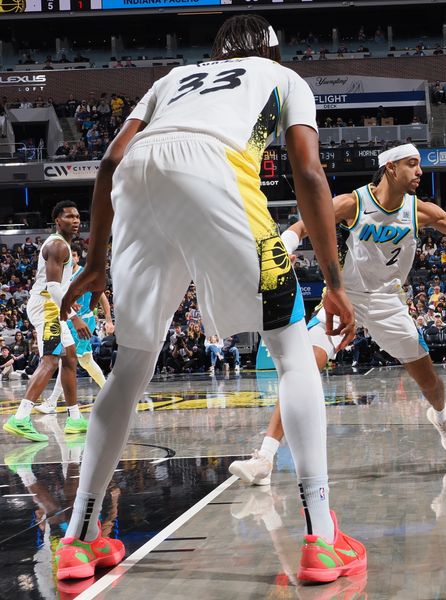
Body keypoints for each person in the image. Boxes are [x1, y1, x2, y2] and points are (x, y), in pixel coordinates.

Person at [54, 15, 363, 585]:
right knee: (293, 353)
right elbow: (310, 173)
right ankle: (322, 536)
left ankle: (76, 540)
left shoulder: (174, 77)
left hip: (139, 180)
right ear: (273, 47)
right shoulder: (281, 76)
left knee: (130, 368)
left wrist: (96, 262)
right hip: (215, 167)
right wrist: (335, 281)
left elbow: (109, 163)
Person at [228, 143, 446, 486]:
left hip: (389, 303)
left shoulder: (419, 211)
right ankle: (265, 458)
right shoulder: (354, 203)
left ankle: (440, 416)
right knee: (305, 367)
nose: (419, 171)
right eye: (412, 164)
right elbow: (306, 224)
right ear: (391, 168)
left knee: (431, 384)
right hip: (346, 299)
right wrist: (286, 244)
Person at [3, 201, 90, 443]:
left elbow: (57, 285)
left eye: (77, 216)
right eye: (69, 216)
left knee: (70, 357)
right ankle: (20, 418)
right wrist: (74, 316)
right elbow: (51, 287)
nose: (75, 220)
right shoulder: (56, 246)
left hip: (53, 306)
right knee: (51, 360)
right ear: (57, 221)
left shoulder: (65, 245)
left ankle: (74, 419)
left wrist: (69, 301)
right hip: (47, 308)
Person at [37, 248, 113, 412]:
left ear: (78, 258)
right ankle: (109, 391)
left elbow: (102, 298)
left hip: (83, 321)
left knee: (67, 359)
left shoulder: (85, 274)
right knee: (86, 361)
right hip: (67, 321)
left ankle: (52, 402)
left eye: (74, 255)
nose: (71, 258)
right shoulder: (59, 276)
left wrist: (108, 320)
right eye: (68, 256)